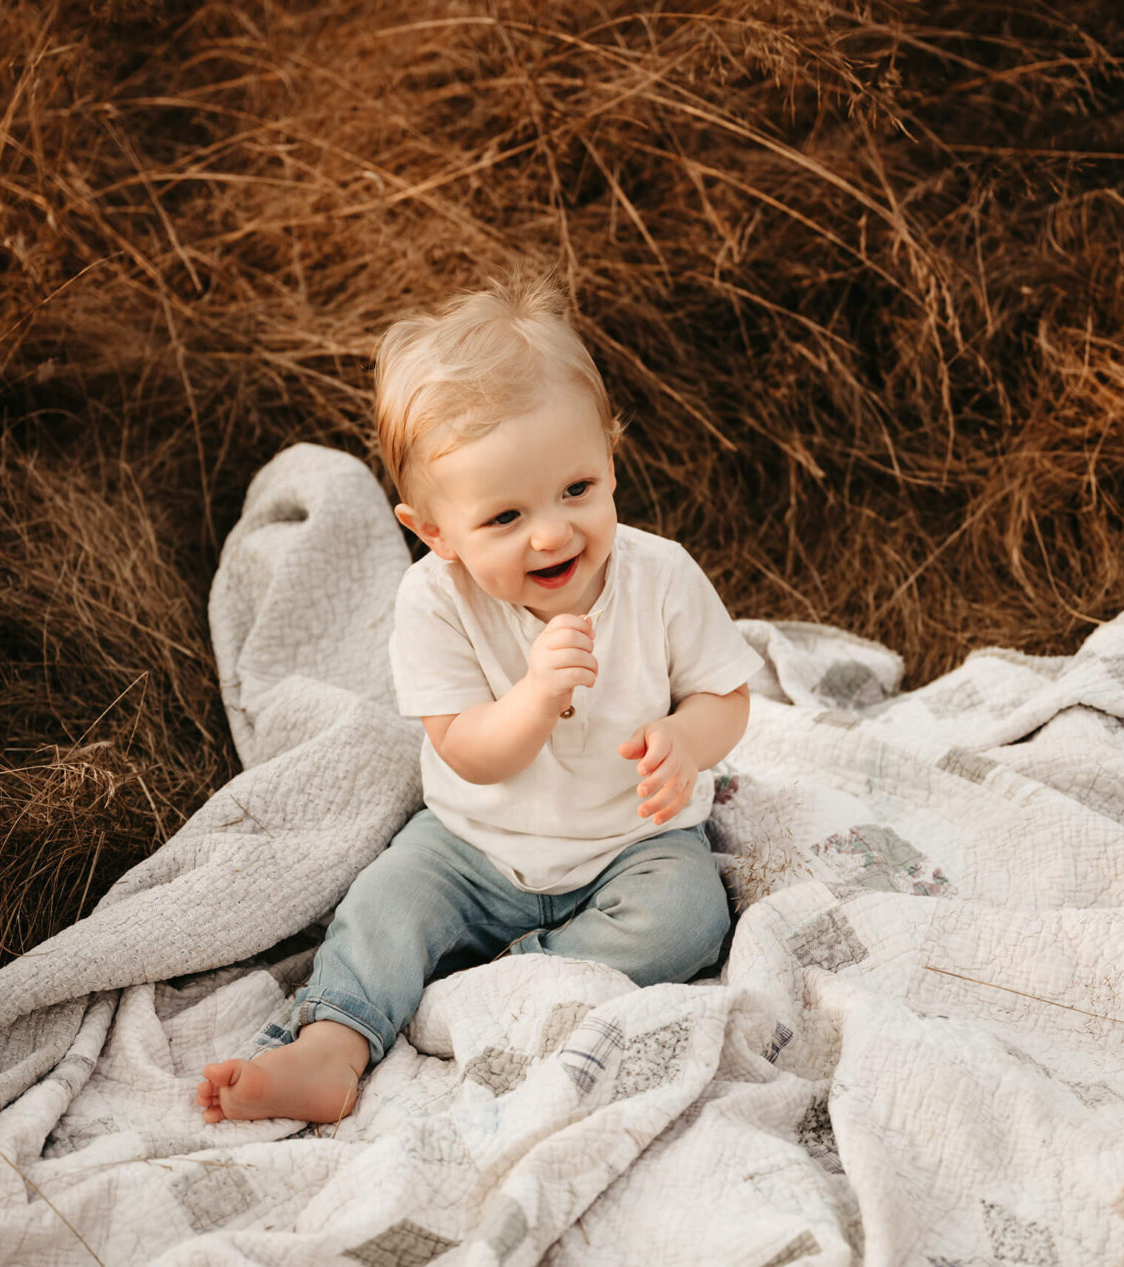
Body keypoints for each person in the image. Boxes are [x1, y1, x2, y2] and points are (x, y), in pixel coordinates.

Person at [195, 275, 762, 1124]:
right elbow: (465, 746)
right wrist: (536, 693)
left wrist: (687, 739)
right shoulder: (434, 601)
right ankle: (331, 1045)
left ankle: (508, 977)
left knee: (688, 918)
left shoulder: (660, 577)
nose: (551, 531)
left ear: (610, 459)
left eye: (577, 489)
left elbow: (729, 695)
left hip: (629, 845)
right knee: (385, 903)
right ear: (434, 532)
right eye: (504, 516)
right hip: (473, 846)